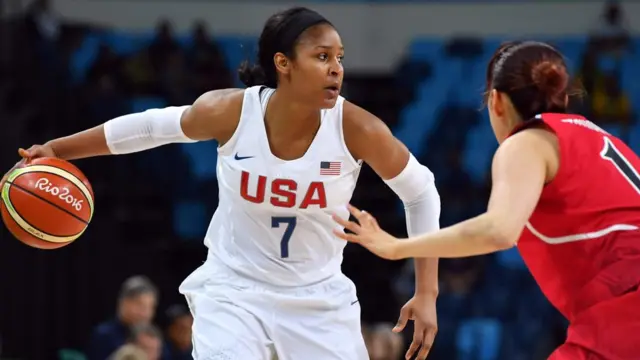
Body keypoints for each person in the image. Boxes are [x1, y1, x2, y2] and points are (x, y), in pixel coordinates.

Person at [6, 7, 441, 360]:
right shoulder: (230, 112)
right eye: (322, 57)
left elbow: (421, 192)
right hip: (234, 289)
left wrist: (426, 291)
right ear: (283, 64)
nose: (336, 70)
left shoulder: (357, 128)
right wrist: (59, 149)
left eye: (339, 58)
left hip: (318, 298)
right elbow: (147, 128)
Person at [333, 40, 640, 360]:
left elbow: (499, 230)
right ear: (560, 96)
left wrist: (397, 247)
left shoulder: (527, 141)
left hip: (626, 305)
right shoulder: (598, 136)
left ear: (496, 101)